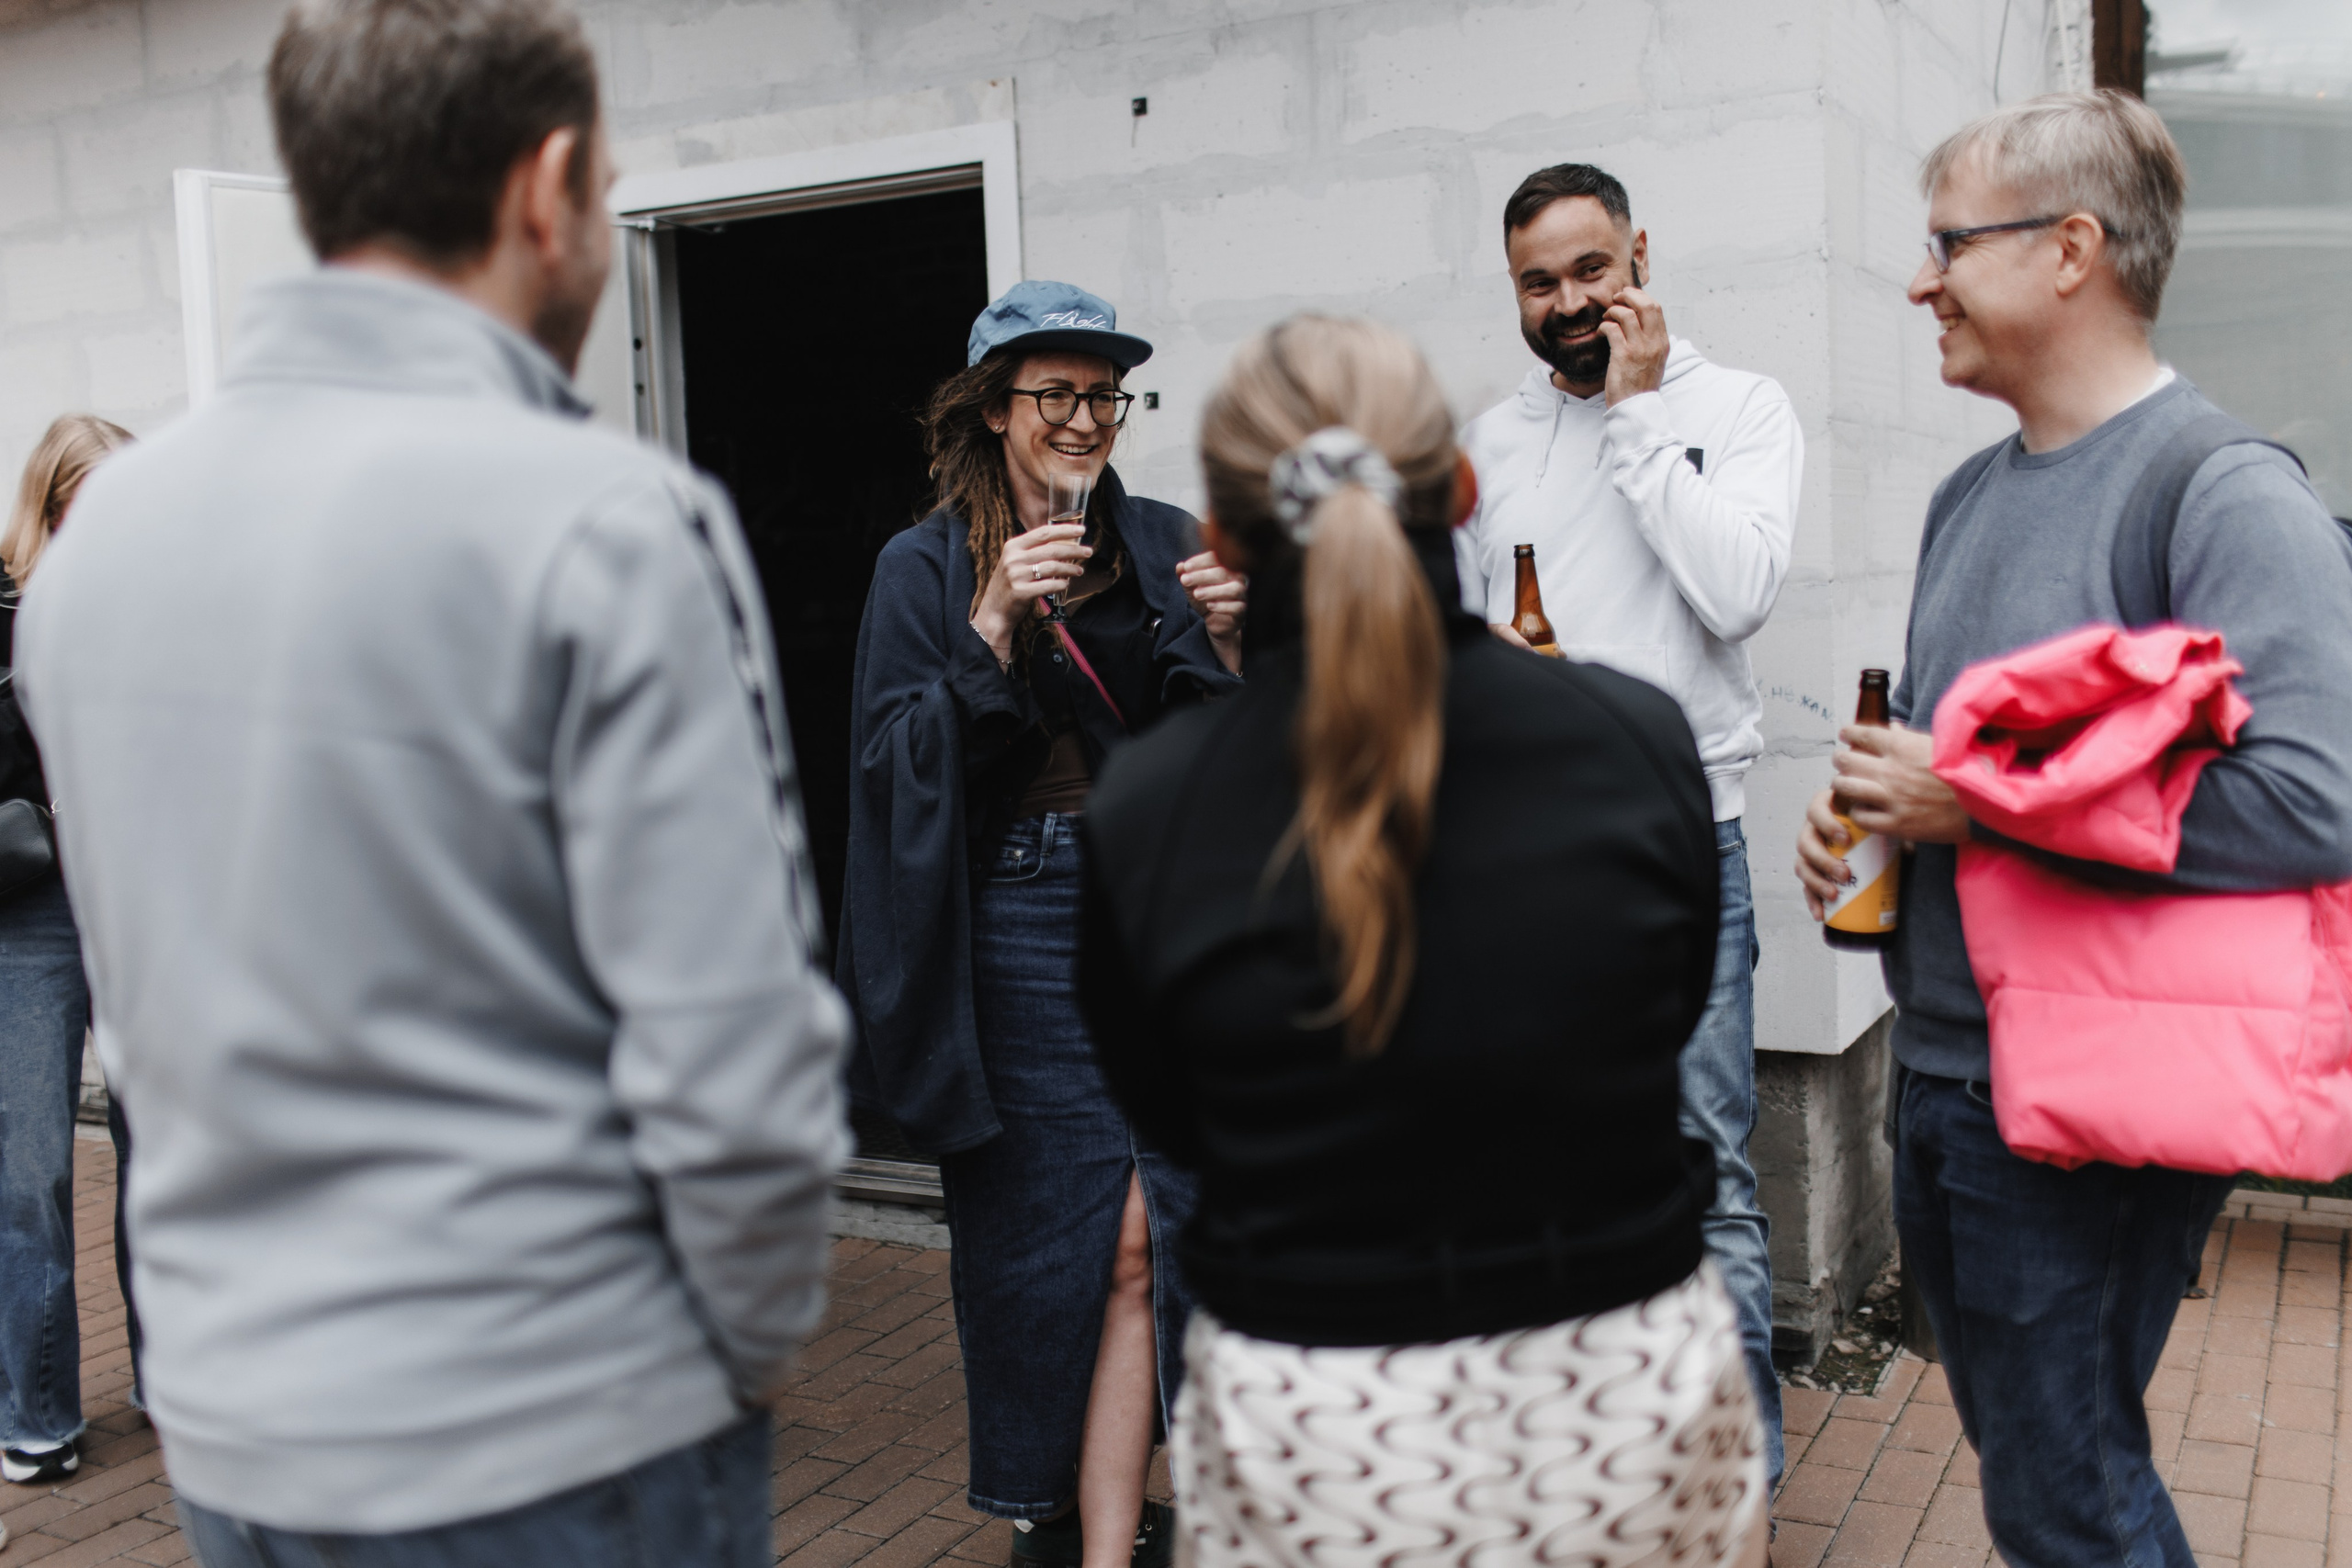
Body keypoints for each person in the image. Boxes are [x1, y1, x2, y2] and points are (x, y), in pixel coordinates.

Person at [14, 2, 849, 1562]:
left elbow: (145, 1009)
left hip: (238, 1434)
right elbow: (735, 1058)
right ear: (548, 189)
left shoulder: (93, 553)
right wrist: (721, 1355)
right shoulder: (605, 522)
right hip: (555, 1430)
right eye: (602, 195)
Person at [1080, 313, 1766, 1568]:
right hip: (1620, 1394)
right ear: (1459, 492)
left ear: (1222, 540)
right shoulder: (1631, 740)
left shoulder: (1148, 803)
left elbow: (1171, 1119)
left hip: (1317, 1421)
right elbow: (1663, 1019)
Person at [1793, 90, 2352, 1568]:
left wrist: (1969, 809)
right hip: (1942, 1067)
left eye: (1947, 244)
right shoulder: (1966, 495)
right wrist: (1874, 824)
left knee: (2067, 1496)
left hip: (2086, 1103)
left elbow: (2317, 799)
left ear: (2070, 252)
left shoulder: (2223, 493)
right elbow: (1948, 759)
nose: (1922, 281)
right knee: (2050, 1466)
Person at [838, 280, 1244, 1568]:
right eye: (1054, 393)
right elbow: (894, 765)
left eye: (1103, 394)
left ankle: (1111, 1521)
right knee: (1044, 1234)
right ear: (993, 409)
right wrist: (997, 618)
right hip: (1017, 916)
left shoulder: (1163, 536)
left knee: (1154, 1224)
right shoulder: (925, 564)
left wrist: (1239, 645)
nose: (1084, 418)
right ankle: (1051, 1511)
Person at [1454, 161, 1802, 1478]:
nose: (1568, 301)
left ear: (1639, 254)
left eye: (1590, 269)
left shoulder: (1739, 406)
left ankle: (1738, 1496)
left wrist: (1642, 417)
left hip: (1679, 855)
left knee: (1703, 1170)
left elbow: (1739, 593)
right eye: (1538, 282)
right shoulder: (1490, 444)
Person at [0, 414, 132, 1497]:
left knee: (172, 1154)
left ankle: (178, 1380)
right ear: (44, 517)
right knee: (31, 1169)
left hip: (143, 905)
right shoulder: (6, 621)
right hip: (30, 914)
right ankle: (37, 1413)